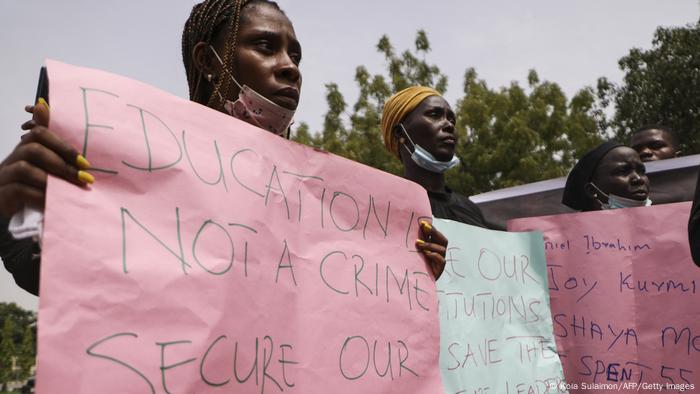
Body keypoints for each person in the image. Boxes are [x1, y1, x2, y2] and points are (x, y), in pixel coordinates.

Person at [0, 0, 447, 295]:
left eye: (296, 55)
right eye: (266, 46)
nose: (289, 67)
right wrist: (16, 204)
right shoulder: (129, 166)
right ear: (208, 61)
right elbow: (34, 264)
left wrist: (409, 271)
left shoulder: (327, 197)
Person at [380, 86, 488, 228]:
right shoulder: (386, 207)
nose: (449, 125)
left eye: (452, 120)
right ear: (400, 133)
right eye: (434, 115)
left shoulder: (471, 210)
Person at [562, 141, 651, 212]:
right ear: (592, 190)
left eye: (642, 171)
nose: (638, 179)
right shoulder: (575, 234)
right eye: (623, 171)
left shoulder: (663, 228)